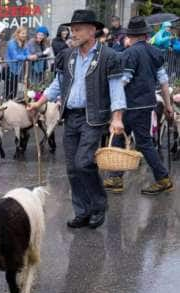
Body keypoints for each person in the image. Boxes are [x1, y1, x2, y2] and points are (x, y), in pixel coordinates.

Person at [28, 10, 126, 229]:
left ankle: (98, 205)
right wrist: (38, 102)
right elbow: (58, 84)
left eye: (78, 29)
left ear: (92, 30)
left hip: (93, 117)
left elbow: (116, 88)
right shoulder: (68, 56)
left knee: (84, 162)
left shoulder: (109, 56)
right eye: (72, 29)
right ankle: (82, 211)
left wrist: (117, 118)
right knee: (72, 167)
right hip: (71, 116)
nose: (73, 33)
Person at [104, 16, 174, 195]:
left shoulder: (129, 53)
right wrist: (168, 106)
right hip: (148, 103)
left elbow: (123, 82)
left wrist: (112, 105)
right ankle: (116, 177)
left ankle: (162, 178)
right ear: (145, 34)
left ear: (131, 35)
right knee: (124, 137)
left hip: (131, 105)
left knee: (142, 142)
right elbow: (164, 81)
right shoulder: (155, 52)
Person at [6, 26, 37, 99]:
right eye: (22, 33)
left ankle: (12, 104)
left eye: (25, 33)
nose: (24, 35)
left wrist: (32, 56)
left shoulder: (24, 43)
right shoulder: (11, 43)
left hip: (17, 70)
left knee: (14, 90)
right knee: (9, 90)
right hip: (9, 68)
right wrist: (27, 57)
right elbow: (15, 56)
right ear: (18, 34)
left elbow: (27, 53)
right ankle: (8, 104)